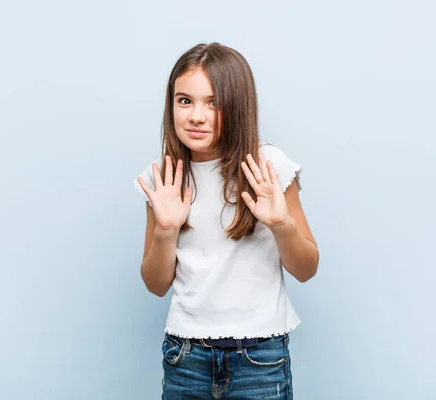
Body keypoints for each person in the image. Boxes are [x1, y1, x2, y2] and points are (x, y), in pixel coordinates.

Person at [133, 42, 319, 400]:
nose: (196, 116)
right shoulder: (165, 179)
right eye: (184, 100)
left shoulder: (269, 167)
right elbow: (156, 284)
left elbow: (307, 268)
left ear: (239, 104)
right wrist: (165, 231)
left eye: (213, 102)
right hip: (185, 357)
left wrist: (281, 225)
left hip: (260, 359)